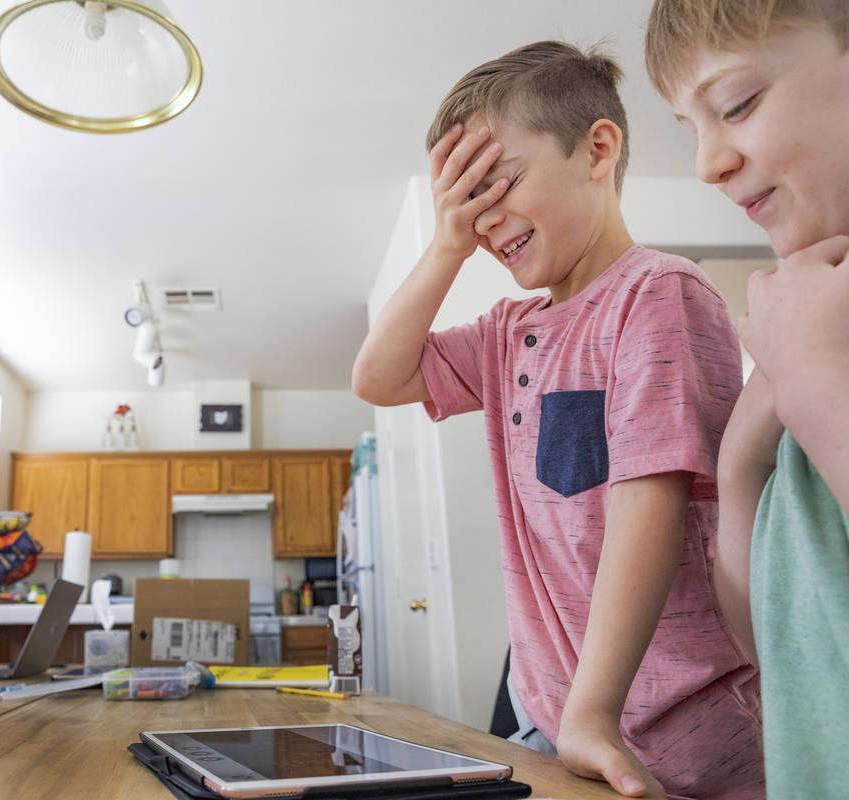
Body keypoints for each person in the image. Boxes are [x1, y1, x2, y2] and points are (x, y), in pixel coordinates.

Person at [352, 41, 763, 799]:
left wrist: (595, 713)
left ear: (597, 149)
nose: (482, 219)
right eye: (463, 199)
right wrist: (445, 243)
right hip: (557, 716)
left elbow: (650, 502)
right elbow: (378, 376)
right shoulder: (509, 330)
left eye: (496, 181)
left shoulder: (659, 292)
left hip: (675, 731)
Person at [645, 2, 849, 797]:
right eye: (689, 127)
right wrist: (742, 460)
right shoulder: (813, 325)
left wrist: (816, 386)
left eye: (735, 104)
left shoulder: (815, 359)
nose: (706, 163)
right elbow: (774, 645)